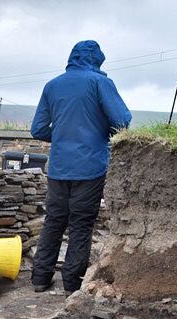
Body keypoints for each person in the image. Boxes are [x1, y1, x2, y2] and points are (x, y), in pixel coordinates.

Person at [29, 40, 132, 294]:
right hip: (90, 167)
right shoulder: (100, 83)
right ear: (97, 60)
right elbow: (122, 121)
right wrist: (97, 133)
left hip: (59, 167)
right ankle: (72, 283)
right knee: (81, 224)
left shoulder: (52, 85)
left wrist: (64, 135)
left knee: (54, 221)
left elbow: (38, 129)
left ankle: (40, 278)